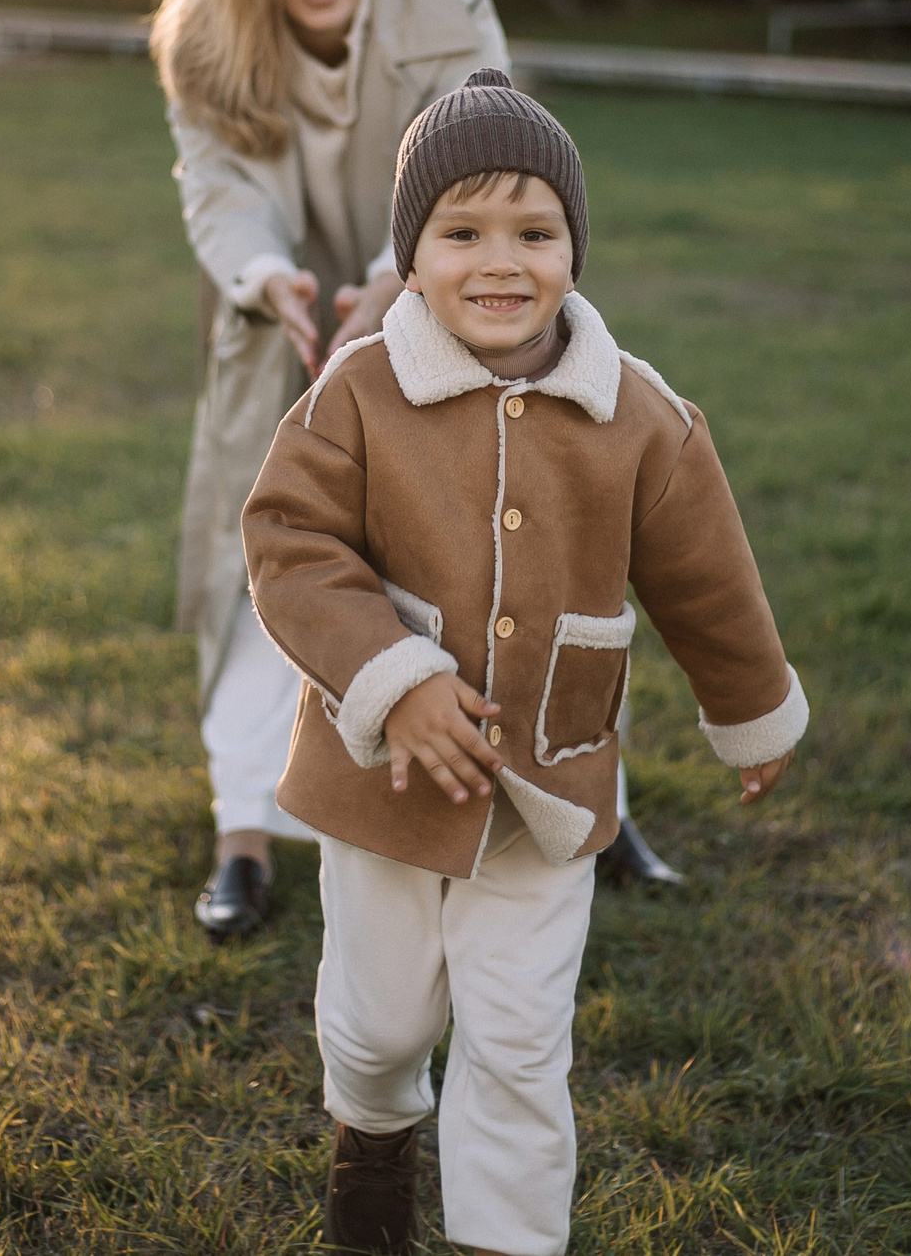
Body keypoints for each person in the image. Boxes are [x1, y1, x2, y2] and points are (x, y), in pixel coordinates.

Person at [241, 69, 810, 1255]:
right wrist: (392, 679)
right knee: (381, 1028)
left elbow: (706, 579)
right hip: (381, 787)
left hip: (549, 787)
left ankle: (508, 1237)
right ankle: (371, 1142)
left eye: (534, 234)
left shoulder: (638, 416)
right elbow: (289, 545)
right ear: (409, 260)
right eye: (461, 234)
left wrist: (751, 711)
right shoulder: (358, 394)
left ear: (574, 251)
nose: (499, 263)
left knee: (517, 1042)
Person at [154, 0, 677, 944]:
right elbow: (217, 187)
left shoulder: (445, 11)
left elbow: (486, 171)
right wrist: (271, 281)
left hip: (452, 308)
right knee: (260, 567)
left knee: (528, 557)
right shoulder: (202, 37)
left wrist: (392, 286)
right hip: (280, 325)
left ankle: (598, 807)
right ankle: (241, 831)